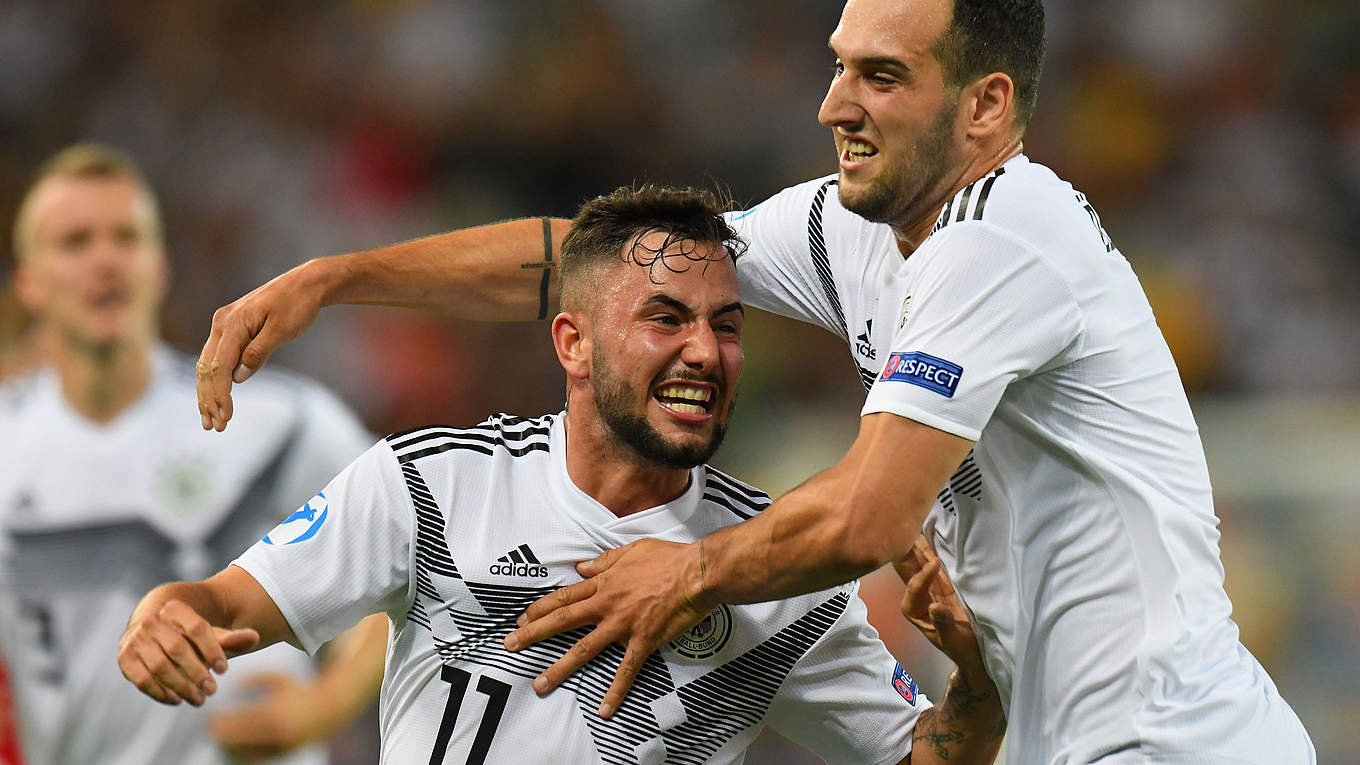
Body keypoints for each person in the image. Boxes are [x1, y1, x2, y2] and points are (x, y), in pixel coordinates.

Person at [191, 1, 1316, 762]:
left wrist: (686, 573)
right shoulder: (858, 228)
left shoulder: (1006, 232)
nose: (834, 104)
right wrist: (341, 278)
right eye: (839, 65)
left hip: (1169, 740)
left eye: (882, 76)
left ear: (984, 107)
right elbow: (608, 264)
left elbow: (870, 513)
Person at [120, 185, 1007, 764]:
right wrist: (164, 614)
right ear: (573, 344)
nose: (706, 351)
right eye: (666, 319)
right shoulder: (431, 487)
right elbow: (219, 603)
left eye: (728, 326)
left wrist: (976, 679)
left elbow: (926, 755)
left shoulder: (778, 572)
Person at [0, 143, 387, 765]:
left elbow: (402, 560)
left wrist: (322, 707)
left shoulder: (280, 424)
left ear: (159, 265)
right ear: (28, 281)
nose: (105, 260)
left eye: (126, 238)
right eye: (75, 242)